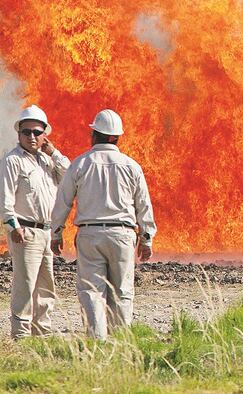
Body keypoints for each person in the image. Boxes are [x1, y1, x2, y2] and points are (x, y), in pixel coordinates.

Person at [50, 109, 157, 340]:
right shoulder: (131, 166)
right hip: (123, 235)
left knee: (92, 292)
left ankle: (97, 344)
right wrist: (146, 238)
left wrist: (56, 233)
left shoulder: (80, 164)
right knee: (122, 292)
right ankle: (122, 344)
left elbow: (63, 201)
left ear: (95, 134)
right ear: (116, 137)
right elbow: (143, 205)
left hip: (90, 236)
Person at [0, 105, 70, 339]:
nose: (31, 136)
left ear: (44, 135)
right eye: (26, 132)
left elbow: (70, 176)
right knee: (25, 284)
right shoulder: (12, 161)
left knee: (46, 285)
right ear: (19, 133)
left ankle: (42, 333)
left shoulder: (46, 161)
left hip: (46, 232)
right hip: (25, 231)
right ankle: (21, 335)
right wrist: (12, 226)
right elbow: (5, 198)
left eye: (37, 132)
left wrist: (54, 153)